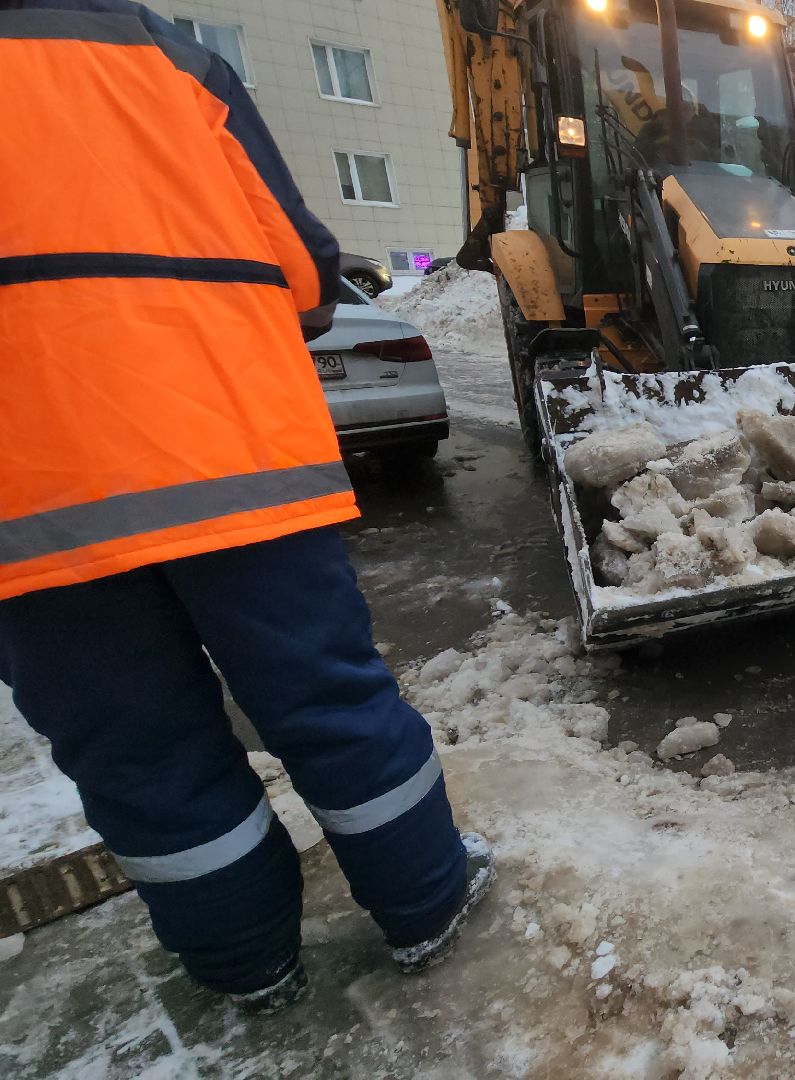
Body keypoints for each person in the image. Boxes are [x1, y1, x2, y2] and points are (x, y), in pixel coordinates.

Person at [0, 0, 492, 1015]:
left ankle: (247, 968)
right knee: (329, 701)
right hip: (230, 455)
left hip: (27, 503)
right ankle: (428, 903)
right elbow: (306, 275)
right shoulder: (169, 62)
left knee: (138, 750)